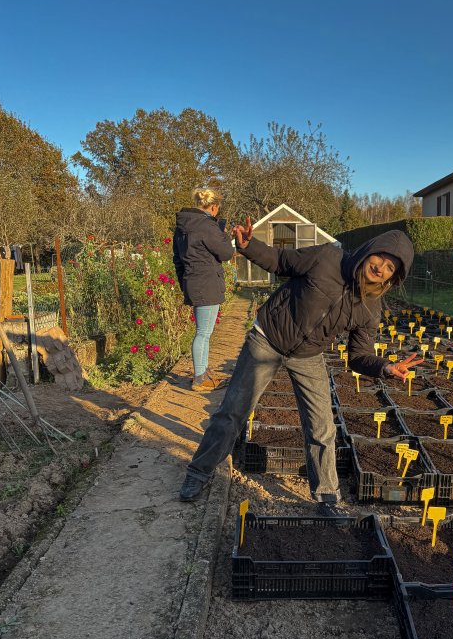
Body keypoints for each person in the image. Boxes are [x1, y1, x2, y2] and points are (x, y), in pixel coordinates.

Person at [178, 219, 423, 511]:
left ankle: (327, 495)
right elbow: (282, 261)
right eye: (380, 257)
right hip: (267, 338)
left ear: (392, 280)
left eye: (390, 268)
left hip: (308, 355)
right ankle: (198, 472)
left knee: (322, 427)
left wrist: (384, 367)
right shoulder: (327, 258)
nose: (381, 267)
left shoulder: (371, 308)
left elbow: (358, 355)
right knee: (233, 411)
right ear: (370, 251)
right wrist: (248, 246)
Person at [173, 187, 234, 391]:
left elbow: (177, 259)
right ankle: (200, 377)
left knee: (203, 332)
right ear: (213, 207)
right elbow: (226, 253)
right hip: (207, 283)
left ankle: (204, 371)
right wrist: (223, 233)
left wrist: (185, 282)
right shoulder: (207, 226)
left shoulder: (183, 227)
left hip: (193, 281)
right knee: (203, 333)